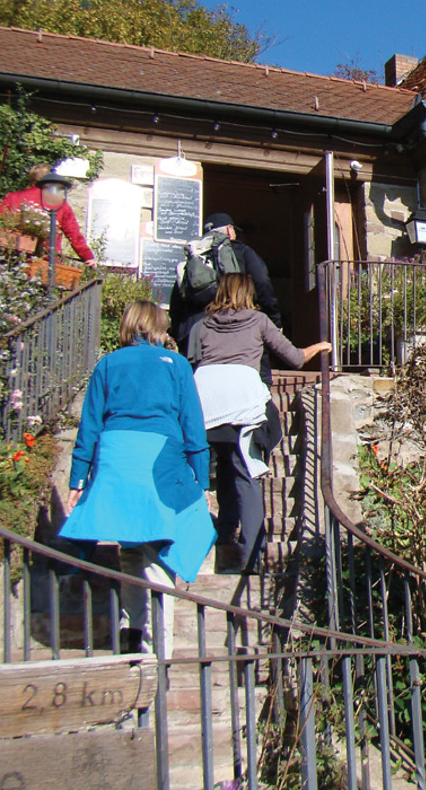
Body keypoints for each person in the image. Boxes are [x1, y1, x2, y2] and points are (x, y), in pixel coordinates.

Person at [59, 302, 214, 655]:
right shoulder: (175, 365)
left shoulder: (107, 363)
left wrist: (77, 481)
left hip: (114, 459)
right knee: (160, 555)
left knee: (130, 550)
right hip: (159, 461)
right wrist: (202, 481)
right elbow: (193, 426)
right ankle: (159, 654)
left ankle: (131, 634)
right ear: (157, 328)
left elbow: (90, 427)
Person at [187, 273, 330, 573]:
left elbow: (190, 363)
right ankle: (251, 556)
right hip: (243, 401)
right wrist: (319, 347)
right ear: (248, 293)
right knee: (247, 474)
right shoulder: (258, 320)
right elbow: (294, 359)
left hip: (206, 401)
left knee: (224, 466)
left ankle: (224, 534)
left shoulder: (200, 325)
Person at [169, 212, 281, 353]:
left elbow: (177, 302)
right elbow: (262, 282)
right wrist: (273, 320)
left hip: (192, 333)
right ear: (229, 229)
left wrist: (177, 332)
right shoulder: (241, 251)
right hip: (232, 330)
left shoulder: (192, 258)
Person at [0, 163, 96, 265]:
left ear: (31, 179)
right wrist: (87, 256)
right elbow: (73, 234)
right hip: (46, 260)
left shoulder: (13, 198)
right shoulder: (59, 203)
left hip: (12, 256)